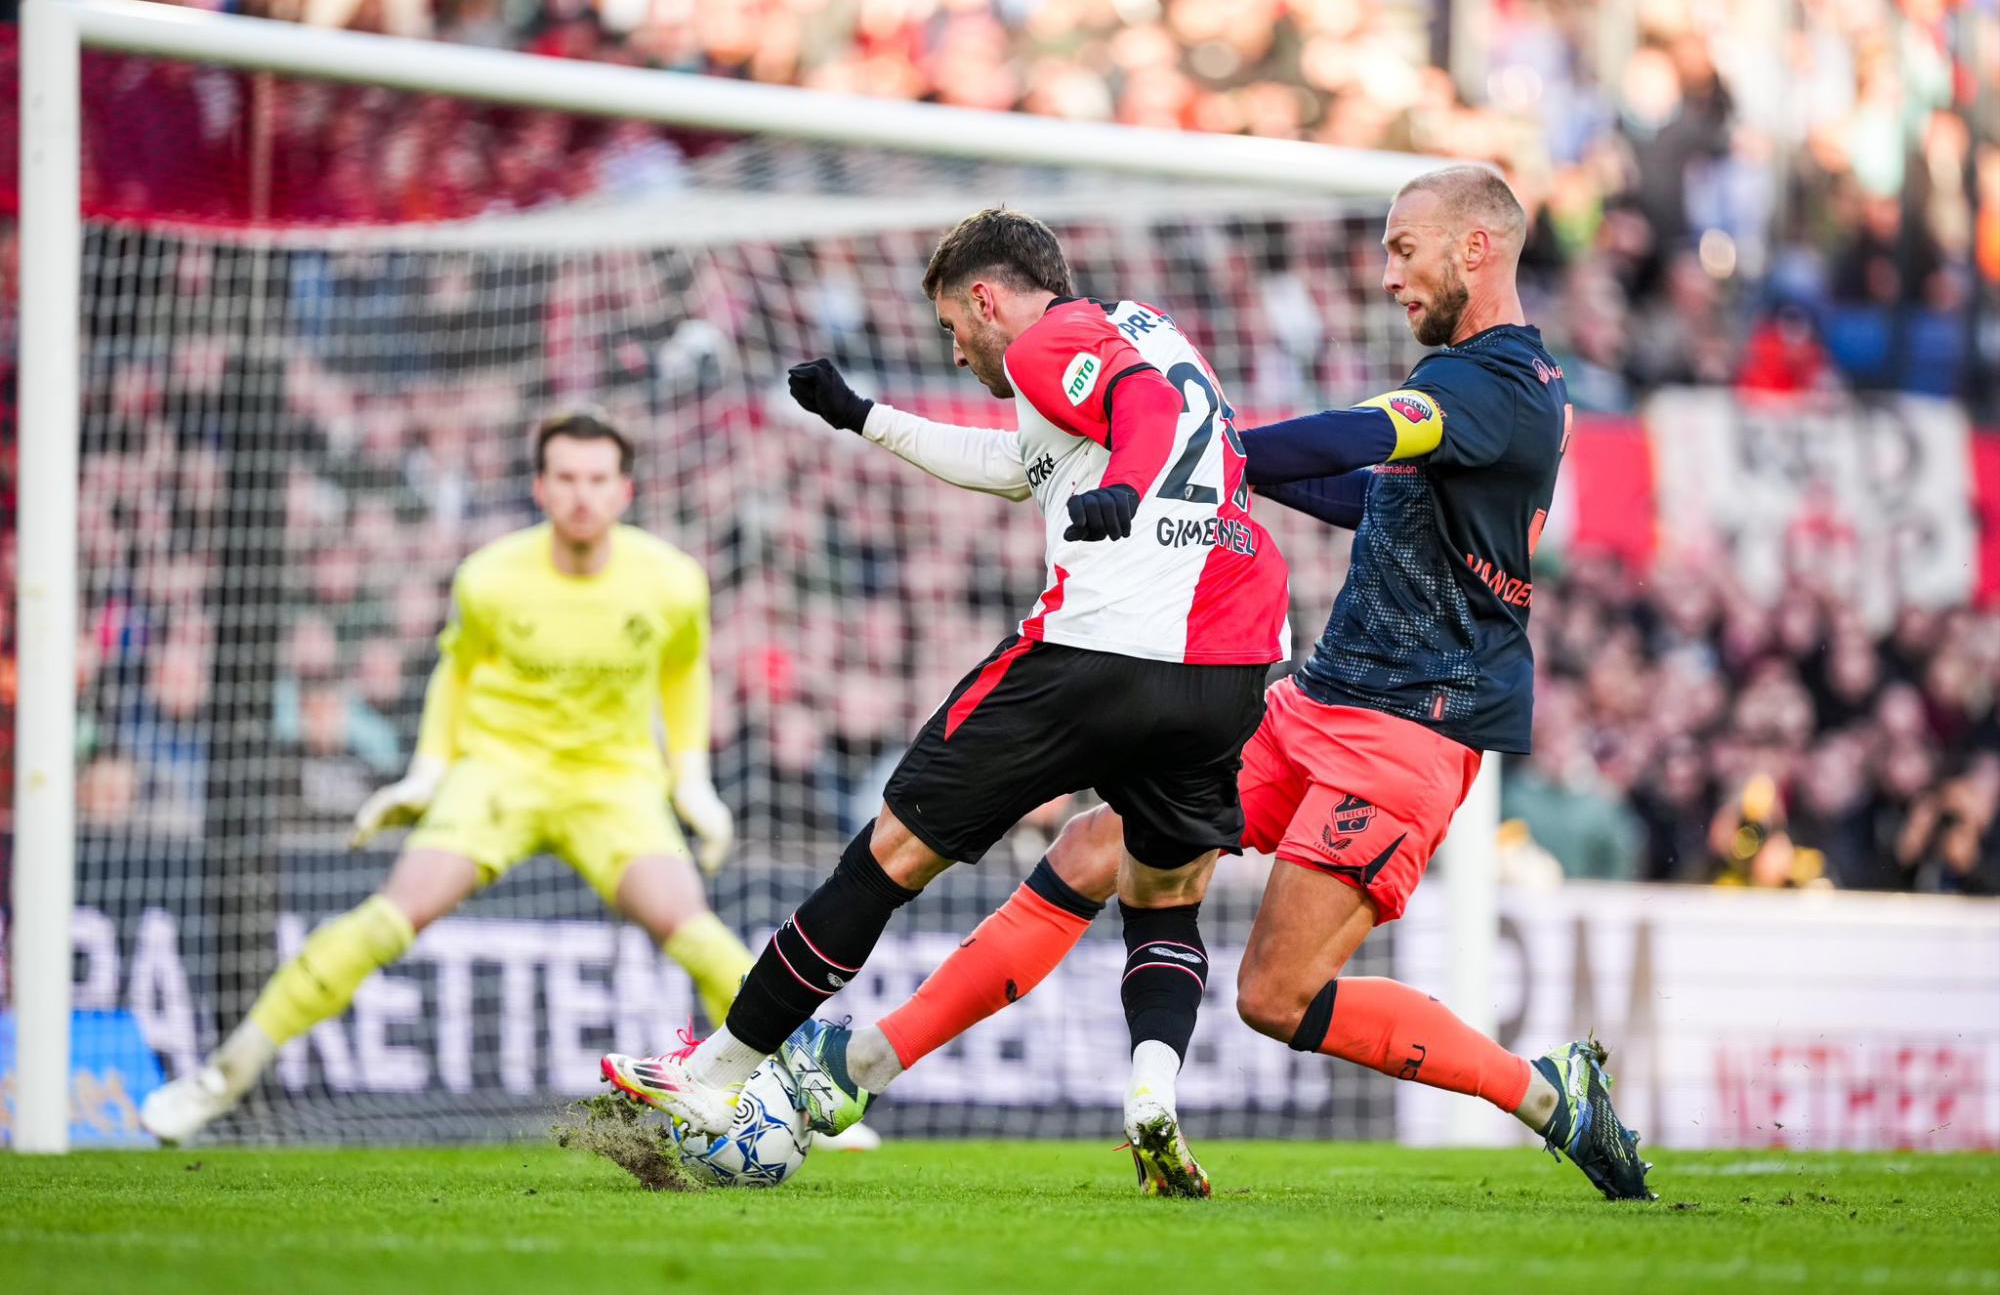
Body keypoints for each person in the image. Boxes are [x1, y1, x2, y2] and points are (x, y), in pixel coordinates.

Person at [780, 167, 1654, 1202]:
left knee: (1276, 995)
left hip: (1405, 735)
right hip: (1313, 702)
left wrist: (1207, 449)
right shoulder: (1481, 395)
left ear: (1474, 249)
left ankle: (1547, 1094)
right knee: (1095, 844)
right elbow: (1356, 492)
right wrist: (1218, 461)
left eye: (1402, 248)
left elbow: (1356, 435)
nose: (1386, 276)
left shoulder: (1490, 386)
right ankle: (861, 1066)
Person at [602, 206, 1292, 1197]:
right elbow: (1022, 469)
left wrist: (1129, 493)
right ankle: (1150, 1092)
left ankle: (716, 1074)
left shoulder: (1053, 337)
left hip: (1100, 645)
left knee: (889, 851)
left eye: (950, 326)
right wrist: (862, 416)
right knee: (1162, 890)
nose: (958, 348)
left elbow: (1135, 412)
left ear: (985, 296)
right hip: (1226, 666)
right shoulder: (1146, 331)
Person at [141, 412, 753, 1143]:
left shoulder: (672, 582)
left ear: (624, 490)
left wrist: (691, 780)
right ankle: (219, 1081)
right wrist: (427, 774)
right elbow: (456, 675)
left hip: (613, 782)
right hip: (499, 771)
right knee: (388, 919)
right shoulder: (490, 577)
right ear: (540, 488)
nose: (582, 495)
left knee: (699, 936)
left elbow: (685, 673)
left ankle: (778, 1099)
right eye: (566, 478)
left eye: (597, 479)